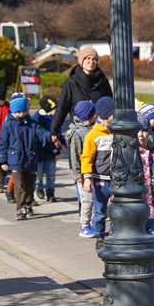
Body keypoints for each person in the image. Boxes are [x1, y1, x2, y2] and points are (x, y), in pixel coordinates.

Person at [0, 96, 52, 220]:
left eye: (23, 111)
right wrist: (3, 161)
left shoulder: (32, 123)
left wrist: (50, 136)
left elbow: (41, 133)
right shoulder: (7, 126)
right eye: (18, 112)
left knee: (30, 184)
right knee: (19, 185)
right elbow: (2, 144)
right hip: (15, 160)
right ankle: (20, 208)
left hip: (30, 158)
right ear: (13, 111)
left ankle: (28, 203)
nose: (21, 114)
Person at [49, 46, 113, 141]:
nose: (91, 61)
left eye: (94, 59)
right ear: (81, 61)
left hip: (99, 131)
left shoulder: (103, 82)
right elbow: (62, 108)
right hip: (78, 131)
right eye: (88, 58)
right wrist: (54, 131)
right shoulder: (71, 82)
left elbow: (110, 106)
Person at [81, 97, 115, 248]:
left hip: (116, 178)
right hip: (100, 177)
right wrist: (87, 178)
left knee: (116, 209)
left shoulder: (116, 131)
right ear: (108, 114)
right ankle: (99, 236)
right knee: (100, 210)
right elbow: (86, 158)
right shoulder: (93, 135)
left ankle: (113, 233)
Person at [68, 101, 97, 237]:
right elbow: (74, 155)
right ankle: (84, 225)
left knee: (93, 199)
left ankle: (92, 221)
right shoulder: (77, 132)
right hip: (82, 174)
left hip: (92, 171)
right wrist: (78, 174)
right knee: (87, 201)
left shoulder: (92, 129)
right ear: (89, 114)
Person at [35, 96, 60, 202]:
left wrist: (61, 144)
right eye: (56, 110)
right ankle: (39, 187)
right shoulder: (38, 119)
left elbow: (58, 134)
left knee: (51, 173)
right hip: (40, 151)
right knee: (39, 173)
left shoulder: (55, 119)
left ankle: (50, 192)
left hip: (51, 152)